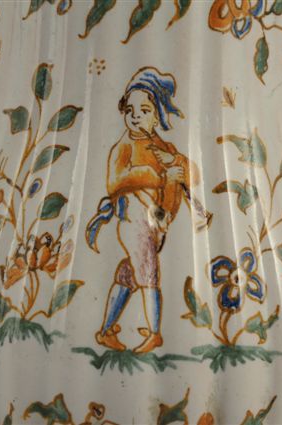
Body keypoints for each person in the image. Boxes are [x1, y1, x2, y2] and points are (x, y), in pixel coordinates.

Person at [86, 66, 210, 354]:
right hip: (134, 221)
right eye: (130, 110)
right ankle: (155, 333)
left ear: (158, 116)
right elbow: (114, 181)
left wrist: (178, 166)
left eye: (144, 110)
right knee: (149, 274)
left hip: (155, 225)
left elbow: (193, 174)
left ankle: (105, 331)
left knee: (128, 275)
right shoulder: (125, 146)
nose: (135, 116)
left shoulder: (161, 146)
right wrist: (160, 176)